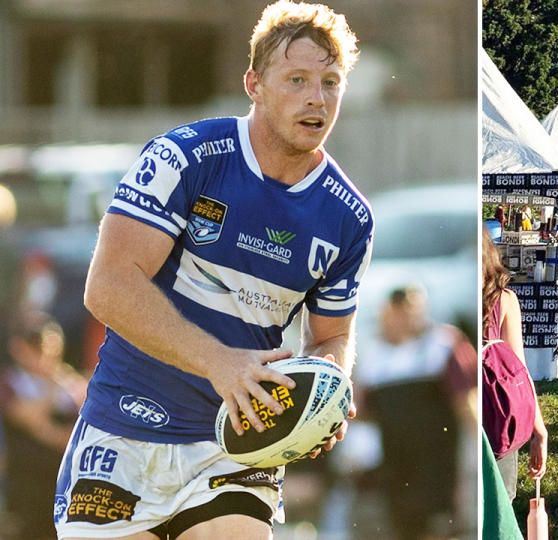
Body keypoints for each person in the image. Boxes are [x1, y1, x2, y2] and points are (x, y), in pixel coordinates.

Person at [54, 4, 373, 538]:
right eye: (297, 79)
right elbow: (107, 286)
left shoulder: (349, 217)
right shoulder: (187, 158)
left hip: (236, 444)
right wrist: (219, 362)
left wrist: (327, 391)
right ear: (254, 84)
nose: (317, 98)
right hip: (124, 427)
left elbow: (333, 337)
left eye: (331, 82)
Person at [355, 285, 475, 539]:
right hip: (396, 467)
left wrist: (478, 453)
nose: (403, 317)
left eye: (410, 310)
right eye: (396, 312)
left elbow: (466, 402)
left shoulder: (444, 344)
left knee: (441, 528)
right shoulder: (374, 353)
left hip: (439, 467)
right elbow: (361, 409)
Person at [1, 312, 85, 540]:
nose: (42, 355)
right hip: (23, 487)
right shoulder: (9, 381)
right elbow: (29, 418)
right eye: (34, 346)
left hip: (61, 488)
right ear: (17, 348)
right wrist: (51, 382)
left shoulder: (72, 384)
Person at [482, 230, 548, 502]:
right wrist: (539, 429)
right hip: (497, 419)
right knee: (499, 503)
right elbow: (518, 369)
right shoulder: (503, 299)